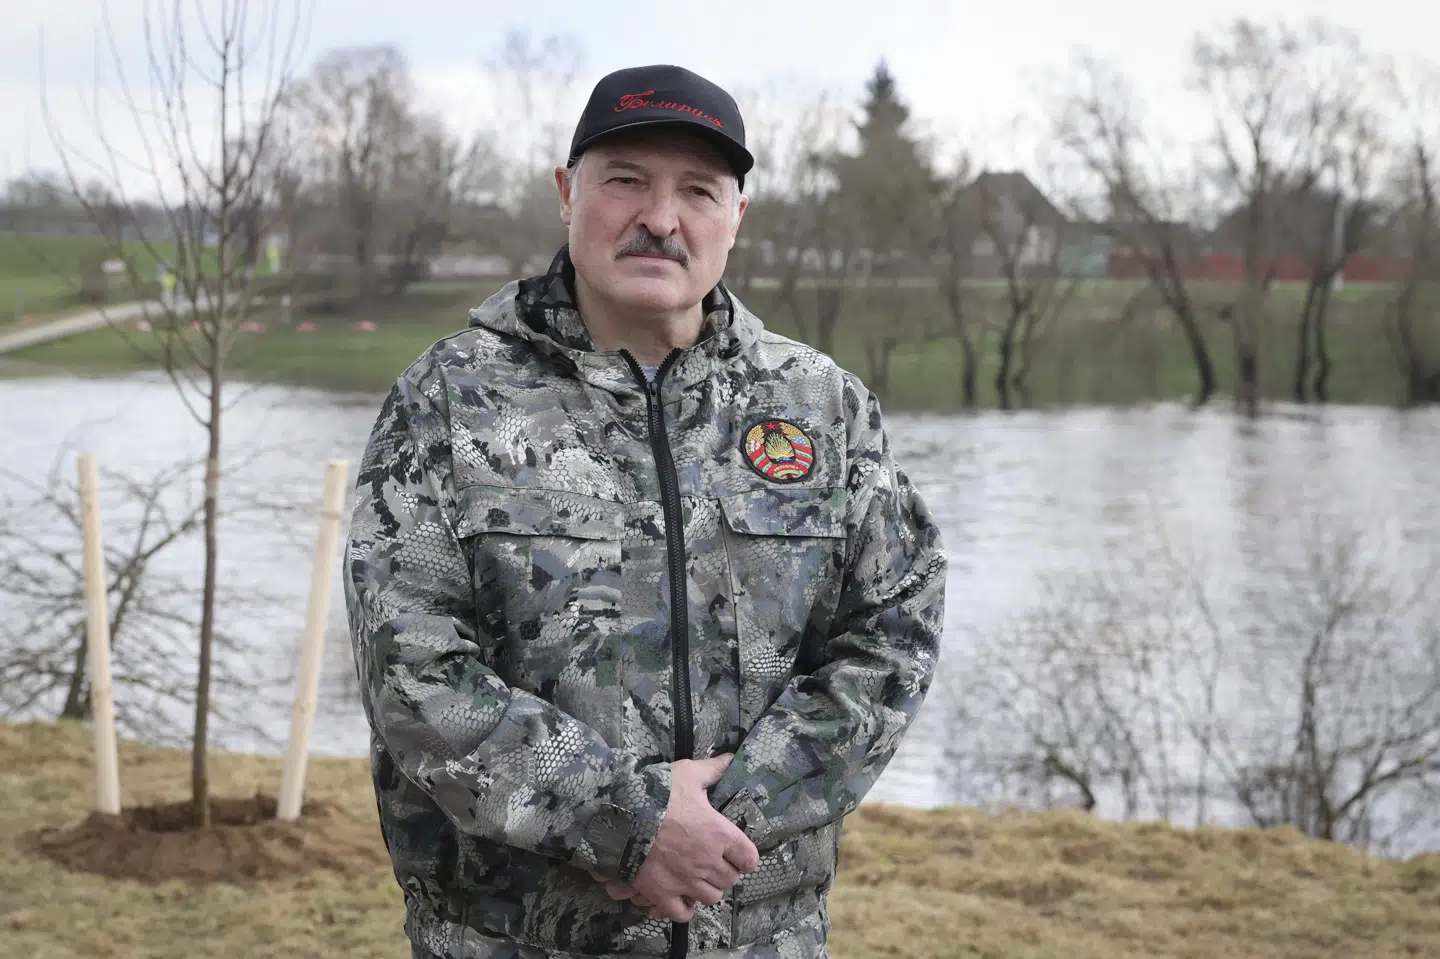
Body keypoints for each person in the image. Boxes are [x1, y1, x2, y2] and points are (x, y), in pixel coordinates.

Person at [343, 62, 947, 959]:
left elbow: (894, 631)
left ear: (737, 215)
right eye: (626, 181)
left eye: (698, 191)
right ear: (566, 192)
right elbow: (412, 673)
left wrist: (726, 816)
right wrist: (623, 822)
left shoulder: (821, 406)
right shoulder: (450, 399)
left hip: (760, 938)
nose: (660, 219)